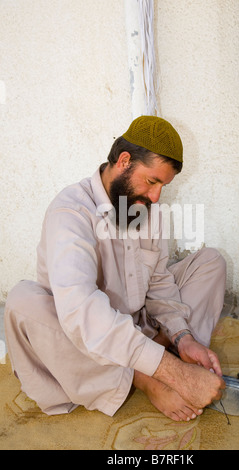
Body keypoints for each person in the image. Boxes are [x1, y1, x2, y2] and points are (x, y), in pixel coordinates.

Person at [4, 115, 226, 422]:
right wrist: (171, 372)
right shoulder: (72, 212)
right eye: (152, 181)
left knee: (210, 262)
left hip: (137, 322)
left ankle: (157, 353)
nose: (156, 196)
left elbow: (159, 281)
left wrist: (182, 337)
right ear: (124, 161)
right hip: (79, 332)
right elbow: (81, 312)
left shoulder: (144, 208)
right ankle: (143, 376)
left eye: (163, 185)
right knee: (22, 302)